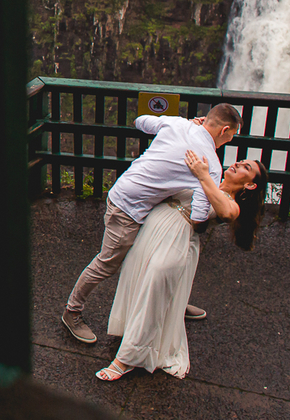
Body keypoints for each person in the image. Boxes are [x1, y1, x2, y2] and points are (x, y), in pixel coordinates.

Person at [62, 103, 243, 345]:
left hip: (134, 197)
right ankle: (71, 312)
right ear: (225, 130)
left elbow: (140, 121)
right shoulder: (209, 162)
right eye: (232, 136)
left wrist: (184, 122)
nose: (230, 141)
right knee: (107, 263)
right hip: (128, 208)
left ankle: (174, 303)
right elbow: (199, 217)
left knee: (162, 258)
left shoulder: (178, 123)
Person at [96, 153, 267, 381]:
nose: (237, 163)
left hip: (177, 241)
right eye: (241, 160)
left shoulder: (230, 203)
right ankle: (134, 336)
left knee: (154, 291)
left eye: (246, 167)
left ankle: (126, 360)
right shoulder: (211, 175)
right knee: (136, 278)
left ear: (250, 184)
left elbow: (225, 213)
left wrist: (202, 174)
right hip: (154, 227)